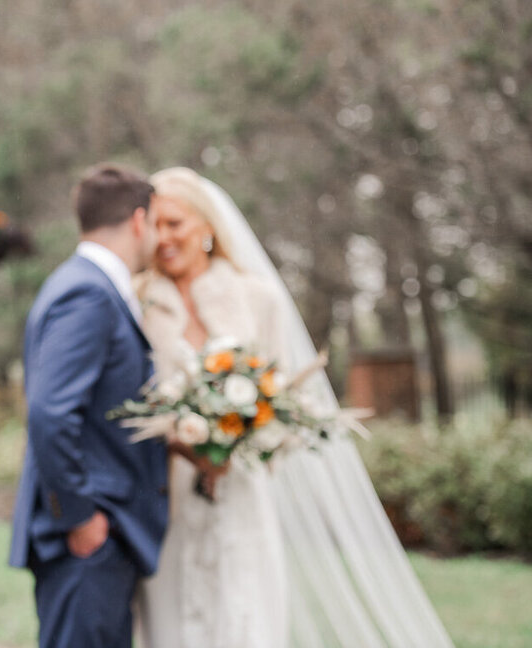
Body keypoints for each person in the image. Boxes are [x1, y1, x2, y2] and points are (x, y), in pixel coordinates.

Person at [135, 166, 454, 648]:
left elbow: (285, 401)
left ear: (206, 227)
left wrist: (241, 441)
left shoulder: (257, 299)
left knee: (245, 616)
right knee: (174, 620)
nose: (163, 238)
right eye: (154, 226)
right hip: (167, 499)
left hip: (241, 492)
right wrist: (185, 445)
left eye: (174, 223)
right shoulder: (140, 303)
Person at [9, 163, 169, 648]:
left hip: (97, 537)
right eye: (158, 224)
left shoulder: (86, 285)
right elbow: (50, 412)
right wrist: (78, 516)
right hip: (87, 538)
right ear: (139, 220)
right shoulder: (88, 293)